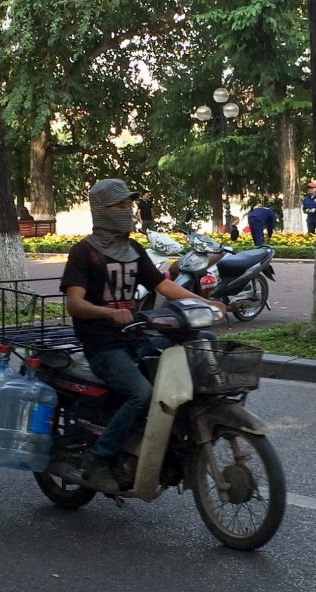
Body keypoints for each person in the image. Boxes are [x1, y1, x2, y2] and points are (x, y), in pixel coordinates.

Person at [61, 177, 225, 495]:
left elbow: (163, 286)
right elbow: (75, 303)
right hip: (103, 344)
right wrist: (108, 313)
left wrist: (207, 303)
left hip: (136, 335)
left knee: (203, 349)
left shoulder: (133, 250)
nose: (128, 210)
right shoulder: (83, 252)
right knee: (142, 394)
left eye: (128, 204)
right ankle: (99, 457)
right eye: (120, 205)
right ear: (102, 210)